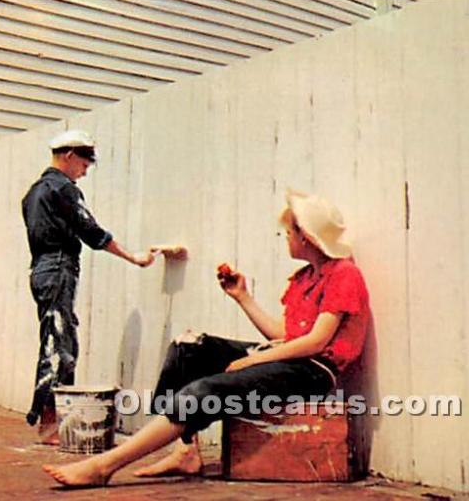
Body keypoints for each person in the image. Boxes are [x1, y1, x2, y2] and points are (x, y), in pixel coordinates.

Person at [42, 191, 371, 486]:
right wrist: (243, 297)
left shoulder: (344, 274)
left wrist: (254, 359)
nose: (286, 236)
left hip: (313, 371)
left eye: (291, 231)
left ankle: (105, 465)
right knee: (189, 347)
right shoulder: (305, 277)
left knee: (205, 391)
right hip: (290, 356)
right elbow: (286, 336)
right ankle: (185, 451)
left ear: (308, 237)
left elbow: (315, 342)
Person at [22, 129, 156, 444]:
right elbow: (90, 231)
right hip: (58, 267)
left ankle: (46, 420)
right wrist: (132, 257)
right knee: (61, 345)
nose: (85, 170)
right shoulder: (63, 188)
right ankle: (51, 425)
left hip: (40, 268)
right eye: (84, 162)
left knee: (54, 340)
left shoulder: (33, 192)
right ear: (69, 155)